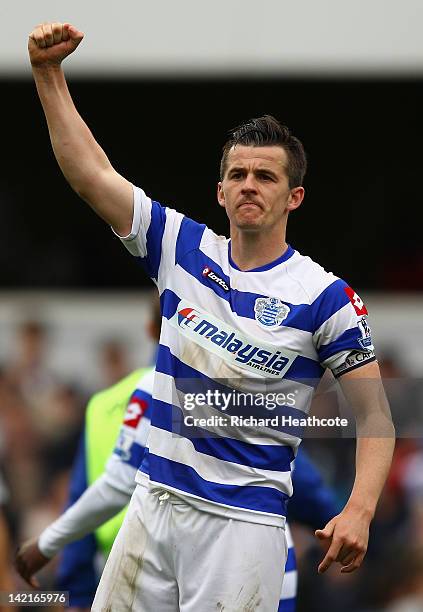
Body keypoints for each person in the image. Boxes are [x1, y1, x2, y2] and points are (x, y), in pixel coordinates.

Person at [27, 22, 395, 611]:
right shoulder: (182, 248)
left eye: (266, 176)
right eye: (238, 175)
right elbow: (92, 175)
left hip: (242, 524)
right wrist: (48, 75)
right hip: (154, 499)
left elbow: (376, 417)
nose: (250, 185)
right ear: (220, 190)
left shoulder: (327, 296)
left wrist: (359, 510)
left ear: (293, 197)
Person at [15, 365, 338, 612]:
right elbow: (303, 484)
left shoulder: (149, 386)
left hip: (168, 556)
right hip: (257, 556)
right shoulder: (264, 393)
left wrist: (49, 545)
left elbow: (115, 483)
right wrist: (340, 523)